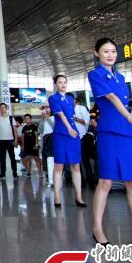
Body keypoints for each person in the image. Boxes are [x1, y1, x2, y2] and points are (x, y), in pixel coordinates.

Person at [88, 38, 132, 248]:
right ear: (97, 53)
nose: (110, 55)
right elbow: (114, 100)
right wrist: (131, 118)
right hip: (109, 132)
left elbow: (123, 102)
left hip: (127, 133)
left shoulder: (121, 76)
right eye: (105, 51)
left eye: (113, 51)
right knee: (106, 181)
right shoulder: (95, 74)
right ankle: (97, 229)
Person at [47, 76, 86, 208]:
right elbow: (61, 114)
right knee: (59, 165)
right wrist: (69, 128)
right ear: (55, 84)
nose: (63, 85)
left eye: (65, 82)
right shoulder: (53, 98)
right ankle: (57, 196)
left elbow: (70, 115)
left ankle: (79, 197)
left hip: (73, 134)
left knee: (75, 165)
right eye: (60, 82)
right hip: (61, 133)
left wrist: (72, 129)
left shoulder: (70, 99)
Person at [0, 102, 19, 179]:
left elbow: (15, 130)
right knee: (2, 159)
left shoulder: (11, 118)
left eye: (4, 107)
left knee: (12, 158)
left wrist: (16, 140)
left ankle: (15, 173)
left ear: (6, 108)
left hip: (10, 140)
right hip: (1, 141)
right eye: (1, 107)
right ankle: (3, 174)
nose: (2, 109)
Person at [71, 95, 91, 187]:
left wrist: (75, 119)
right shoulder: (67, 110)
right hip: (72, 138)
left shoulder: (82, 108)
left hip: (82, 137)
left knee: (85, 160)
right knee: (76, 161)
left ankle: (90, 181)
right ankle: (80, 182)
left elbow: (87, 121)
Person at [40, 104, 55, 186]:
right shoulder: (43, 118)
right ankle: (48, 176)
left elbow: (54, 127)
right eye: (45, 108)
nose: (46, 109)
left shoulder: (55, 117)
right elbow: (40, 129)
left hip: (52, 137)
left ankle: (53, 177)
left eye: (48, 108)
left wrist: (47, 118)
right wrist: (42, 118)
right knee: (46, 157)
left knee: (52, 157)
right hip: (45, 138)